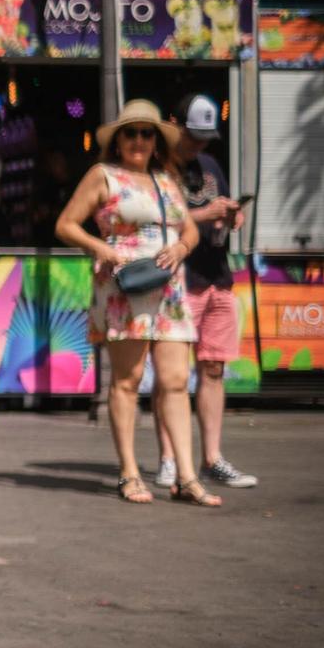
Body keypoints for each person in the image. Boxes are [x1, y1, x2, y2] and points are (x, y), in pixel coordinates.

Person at [54, 99, 220, 507]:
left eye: (147, 134)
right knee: (126, 382)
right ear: (118, 140)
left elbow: (190, 230)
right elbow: (65, 224)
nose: (139, 141)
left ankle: (185, 477)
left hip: (169, 290)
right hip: (124, 289)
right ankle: (129, 472)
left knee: (176, 382)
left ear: (157, 141)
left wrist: (182, 246)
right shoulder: (103, 175)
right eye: (131, 133)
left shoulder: (166, 180)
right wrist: (100, 248)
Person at [154, 94, 256, 490]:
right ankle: (168, 458)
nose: (199, 145)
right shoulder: (158, 169)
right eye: (192, 136)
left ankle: (212, 457)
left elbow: (220, 215)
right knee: (172, 376)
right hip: (179, 280)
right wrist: (203, 214)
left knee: (214, 368)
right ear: (173, 123)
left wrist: (232, 216)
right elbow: (156, 221)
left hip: (217, 277)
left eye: (205, 137)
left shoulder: (210, 165)